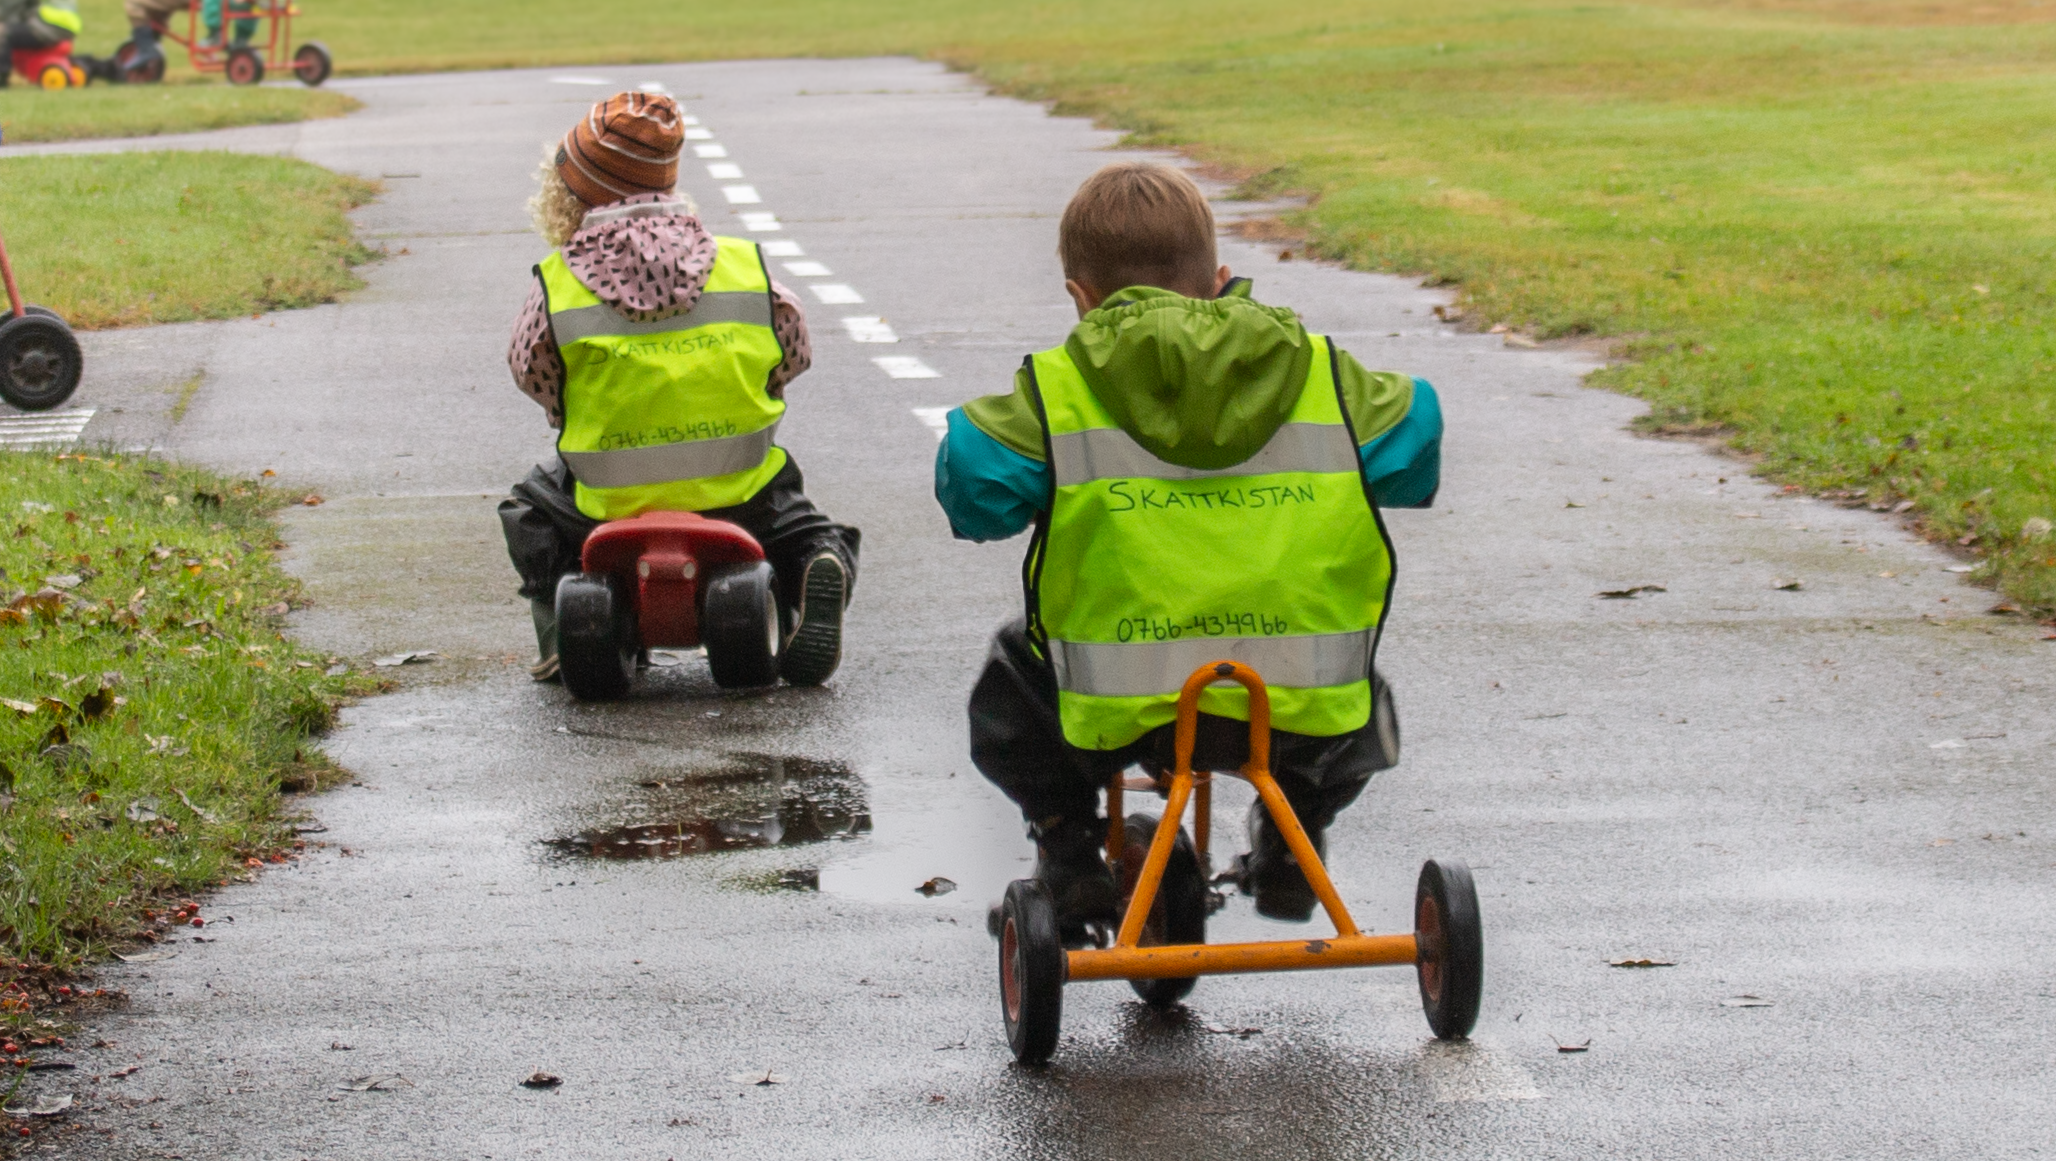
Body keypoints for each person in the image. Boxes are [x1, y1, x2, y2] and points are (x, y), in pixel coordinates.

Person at [937, 158, 1441, 931]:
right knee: (1364, 693)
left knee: (1014, 680)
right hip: (1297, 702)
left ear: (1081, 299)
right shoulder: (1321, 376)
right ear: (1220, 279)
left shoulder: (1058, 391)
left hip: (1116, 704)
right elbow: (1418, 437)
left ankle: (1068, 852)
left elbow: (973, 490)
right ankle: (1294, 827)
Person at [500, 85, 856, 680]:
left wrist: (580, 405)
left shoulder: (558, 283)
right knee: (800, 520)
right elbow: (791, 350)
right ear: (668, 182)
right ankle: (810, 576)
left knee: (528, 508)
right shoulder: (741, 265)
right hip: (740, 499)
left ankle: (558, 629)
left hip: (606, 505)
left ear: (573, 193)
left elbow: (533, 373)